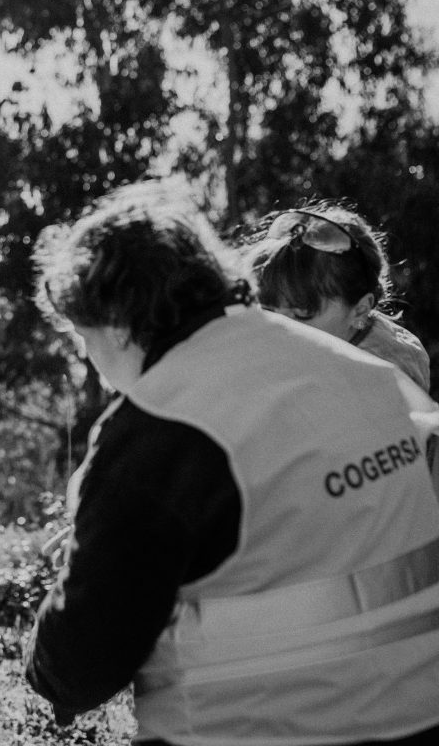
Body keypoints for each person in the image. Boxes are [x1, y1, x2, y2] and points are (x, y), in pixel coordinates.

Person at [25, 184, 439, 744]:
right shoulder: (364, 371)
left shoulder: (158, 425)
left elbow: (79, 665)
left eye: (82, 338)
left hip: (257, 727)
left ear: (116, 325)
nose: (89, 361)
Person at [243, 201, 430, 390]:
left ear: (360, 311)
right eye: (267, 308)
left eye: (302, 312)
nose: (279, 325)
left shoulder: (378, 381)